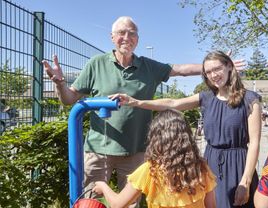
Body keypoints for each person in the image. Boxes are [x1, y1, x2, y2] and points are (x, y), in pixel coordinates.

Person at [42, 16, 245, 199]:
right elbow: (69, 99)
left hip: (136, 150)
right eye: (121, 33)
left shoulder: (148, 67)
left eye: (132, 33)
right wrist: (60, 84)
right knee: (90, 200)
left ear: (137, 40)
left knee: (130, 202)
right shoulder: (97, 64)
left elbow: (180, 70)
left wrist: (214, 67)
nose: (126, 37)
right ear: (112, 37)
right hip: (99, 150)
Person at [111, 51, 262, 207]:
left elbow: (255, 143)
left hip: (239, 165)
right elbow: (172, 103)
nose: (213, 75)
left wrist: (246, 180)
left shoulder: (250, 99)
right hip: (212, 163)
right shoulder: (206, 97)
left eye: (217, 69)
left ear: (229, 66)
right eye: (208, 72)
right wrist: (136, 102)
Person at [93, 109, 217, 208]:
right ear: (187, 138)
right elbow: (211, 206)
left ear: (157, 139)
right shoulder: (200, 168)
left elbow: (117, 204)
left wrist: (103, 186)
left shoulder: (150, 170)